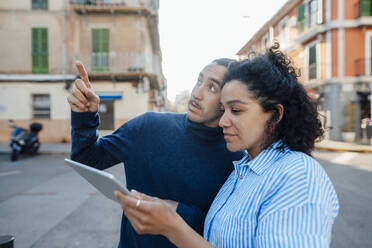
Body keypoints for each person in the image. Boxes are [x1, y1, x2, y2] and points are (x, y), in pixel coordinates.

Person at [115, 43, 339, 247]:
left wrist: (173, 227)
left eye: (237, 110)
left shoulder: (298, 175)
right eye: (223, 110)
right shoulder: (241, 171)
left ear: (275, 115)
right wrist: (164, 209)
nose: (223, 121)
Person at [67, 59, 244, 248]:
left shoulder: (237, 159)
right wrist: (84, 116)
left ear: (227, 100)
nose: (197, 93)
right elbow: (86, 160)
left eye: (211, 88)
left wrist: (177, 212)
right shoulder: (147, 126)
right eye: (199, 81)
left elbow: (227, 231)